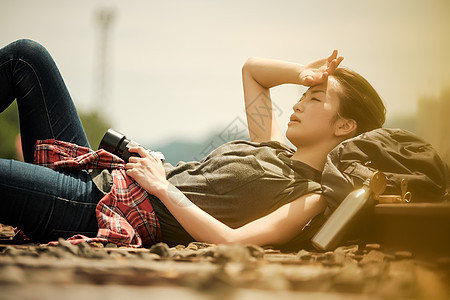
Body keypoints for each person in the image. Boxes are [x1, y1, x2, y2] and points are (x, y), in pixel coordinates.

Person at [0, 39, 385, 250]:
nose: (299, 103)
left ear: (344, 126)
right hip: (101, 174)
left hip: (100, 208)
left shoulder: (309, 195)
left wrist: (164, 188)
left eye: (315, 99)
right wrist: (305, 74)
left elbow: (231, 240)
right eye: (304, 94)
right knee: (28, 58)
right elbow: (253, 70)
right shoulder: (270, 146)